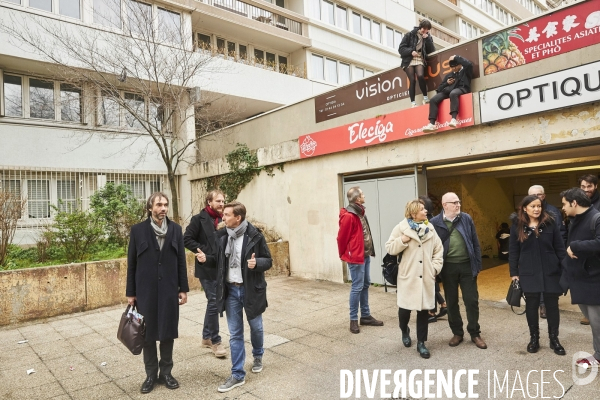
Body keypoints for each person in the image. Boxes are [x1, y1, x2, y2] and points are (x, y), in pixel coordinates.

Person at [126, 192, 189, 394]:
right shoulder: (138, 231)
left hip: (169, 290)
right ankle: (151, 375)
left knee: (168, 332)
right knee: (148, 334)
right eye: (159, 205)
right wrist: (131, 293)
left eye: (166, 205)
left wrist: (183, 288)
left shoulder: (176, 230)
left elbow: (181, 261)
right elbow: (132, 264)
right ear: (150, 207)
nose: (163, 208)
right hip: (146, 291)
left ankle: (167, 373)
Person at [214, 202, 272, 393]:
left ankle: (257, 355)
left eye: (227, 215)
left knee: (256, 327)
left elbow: (268, 260)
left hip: (251, 289)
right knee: (235, 333)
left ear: (238, 218)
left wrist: (258, 263)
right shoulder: (223, 236)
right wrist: (206, 259)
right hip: (231, 291)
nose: (223, 217)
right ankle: (237, 374)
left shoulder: (255, 236)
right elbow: (218, 261)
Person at [509, 195, 567, 355]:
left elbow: (560, 249)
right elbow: (514, 251)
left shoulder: (550, 224)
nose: (536, 209)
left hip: (551, 271)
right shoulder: (517, 226)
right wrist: (514, 273)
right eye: (533, 206)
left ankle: (554, 339)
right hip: (528, 271)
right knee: (532, 305)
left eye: (539, 206)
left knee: (552, 306)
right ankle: (534, 338)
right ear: (525, 208)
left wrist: (565, 269)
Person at [385, 199, 443, 358]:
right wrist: (401, 241)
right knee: (404, 311)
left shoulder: (430, 228)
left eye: (425, 209)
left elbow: (439, 249)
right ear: (413, 213)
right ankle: (404, 330)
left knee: (424, 311)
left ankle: (421, 343)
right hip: (408, 277)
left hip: (426, 277)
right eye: (422, 209)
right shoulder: (401, 228)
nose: (426, 211)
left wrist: (435, 267)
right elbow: (389, 248)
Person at [430, 192, 487, 349]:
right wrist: (434, 269)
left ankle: (475, 333)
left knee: (471, 300)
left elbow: (475, 241)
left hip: (467, 266)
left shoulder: (466, 218)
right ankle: (457, 333)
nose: (458, 205)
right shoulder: (434, 222)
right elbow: (432, 248)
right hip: (448, 267)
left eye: (459, 202)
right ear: (445, 205)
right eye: (454, 202)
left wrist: (477, 264)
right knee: (452, 301)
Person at [183, 189, 227, 358]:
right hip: (206, 267)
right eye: (218, 201)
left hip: (221, 266)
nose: (221, 204)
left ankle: (206, 337)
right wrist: (204, 251)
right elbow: (186, 239)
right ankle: (215, 341)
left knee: (213, 301)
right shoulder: (198, 219)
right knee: (214, 301)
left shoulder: (224, 218)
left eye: (223, 201)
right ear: (209, 202)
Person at [560, 188, 600, 369]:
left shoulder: (596, 218)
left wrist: (575, 246)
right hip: (581, 279)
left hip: (594, 280)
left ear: (574, 203)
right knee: (593, 321)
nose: (563, 207)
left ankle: (598, 356)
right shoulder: (575, 220)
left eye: (564, 203)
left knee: (597, 322)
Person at [337, 186, 384, 334]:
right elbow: (341, 238)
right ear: (357, 199)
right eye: (362, 194)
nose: (364, 195)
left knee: (365, 284)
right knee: (357, 286)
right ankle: (353, 320)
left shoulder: (360, 212)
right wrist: (345, 254)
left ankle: (365, 315)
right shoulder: (349, 215)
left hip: (365, 254)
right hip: (355, 257)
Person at [527, 184, 567, 319]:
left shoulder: (553, 211)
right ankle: (540, 303)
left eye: (538, 195)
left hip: (550, 254)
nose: (536, 198)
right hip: (533, 255)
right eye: (532, 195)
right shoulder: (525, 213)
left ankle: (545, 305)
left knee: (549, 280)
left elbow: (561, 233)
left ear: (543, 196)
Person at [422, 55, 473, 133]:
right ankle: (432, 124)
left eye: (455, 66)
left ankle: (454, 119)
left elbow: (468, 64)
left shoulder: (465, 71)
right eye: (452, 67)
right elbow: (439, 89)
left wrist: (456, 57)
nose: (454, 68)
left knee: (453, 93)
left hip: (462, 89)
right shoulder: (449, 75)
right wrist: (446, 83)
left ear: (460, 64)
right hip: (447, 91)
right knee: (433, 100)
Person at [419, 195, 447, 323]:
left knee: (429, 284)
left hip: (428, 260)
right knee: (431, 283)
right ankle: (442, 305)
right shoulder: (435, 220)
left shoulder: (427, 223)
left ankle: (431, 312)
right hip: (434, 260)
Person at [577, 174, 600, 325]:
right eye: (583, 187)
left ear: (596, 186)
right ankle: (590, 314)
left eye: (589, 186)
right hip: (582, 253)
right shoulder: (578, 203)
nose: (586, 190)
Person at [398, 20, 435, 108]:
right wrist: (411, 51)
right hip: (408, 60)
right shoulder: (409, 35)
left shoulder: (428, 37)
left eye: (427, 29)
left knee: (420, 75)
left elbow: (432, 50)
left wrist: (428, 40)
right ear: (420, 27)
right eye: (423, 28)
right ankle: (413, 103)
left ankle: (425, 98)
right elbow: (401, 49)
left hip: (419, 58)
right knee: (412, 80)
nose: (424, 30)